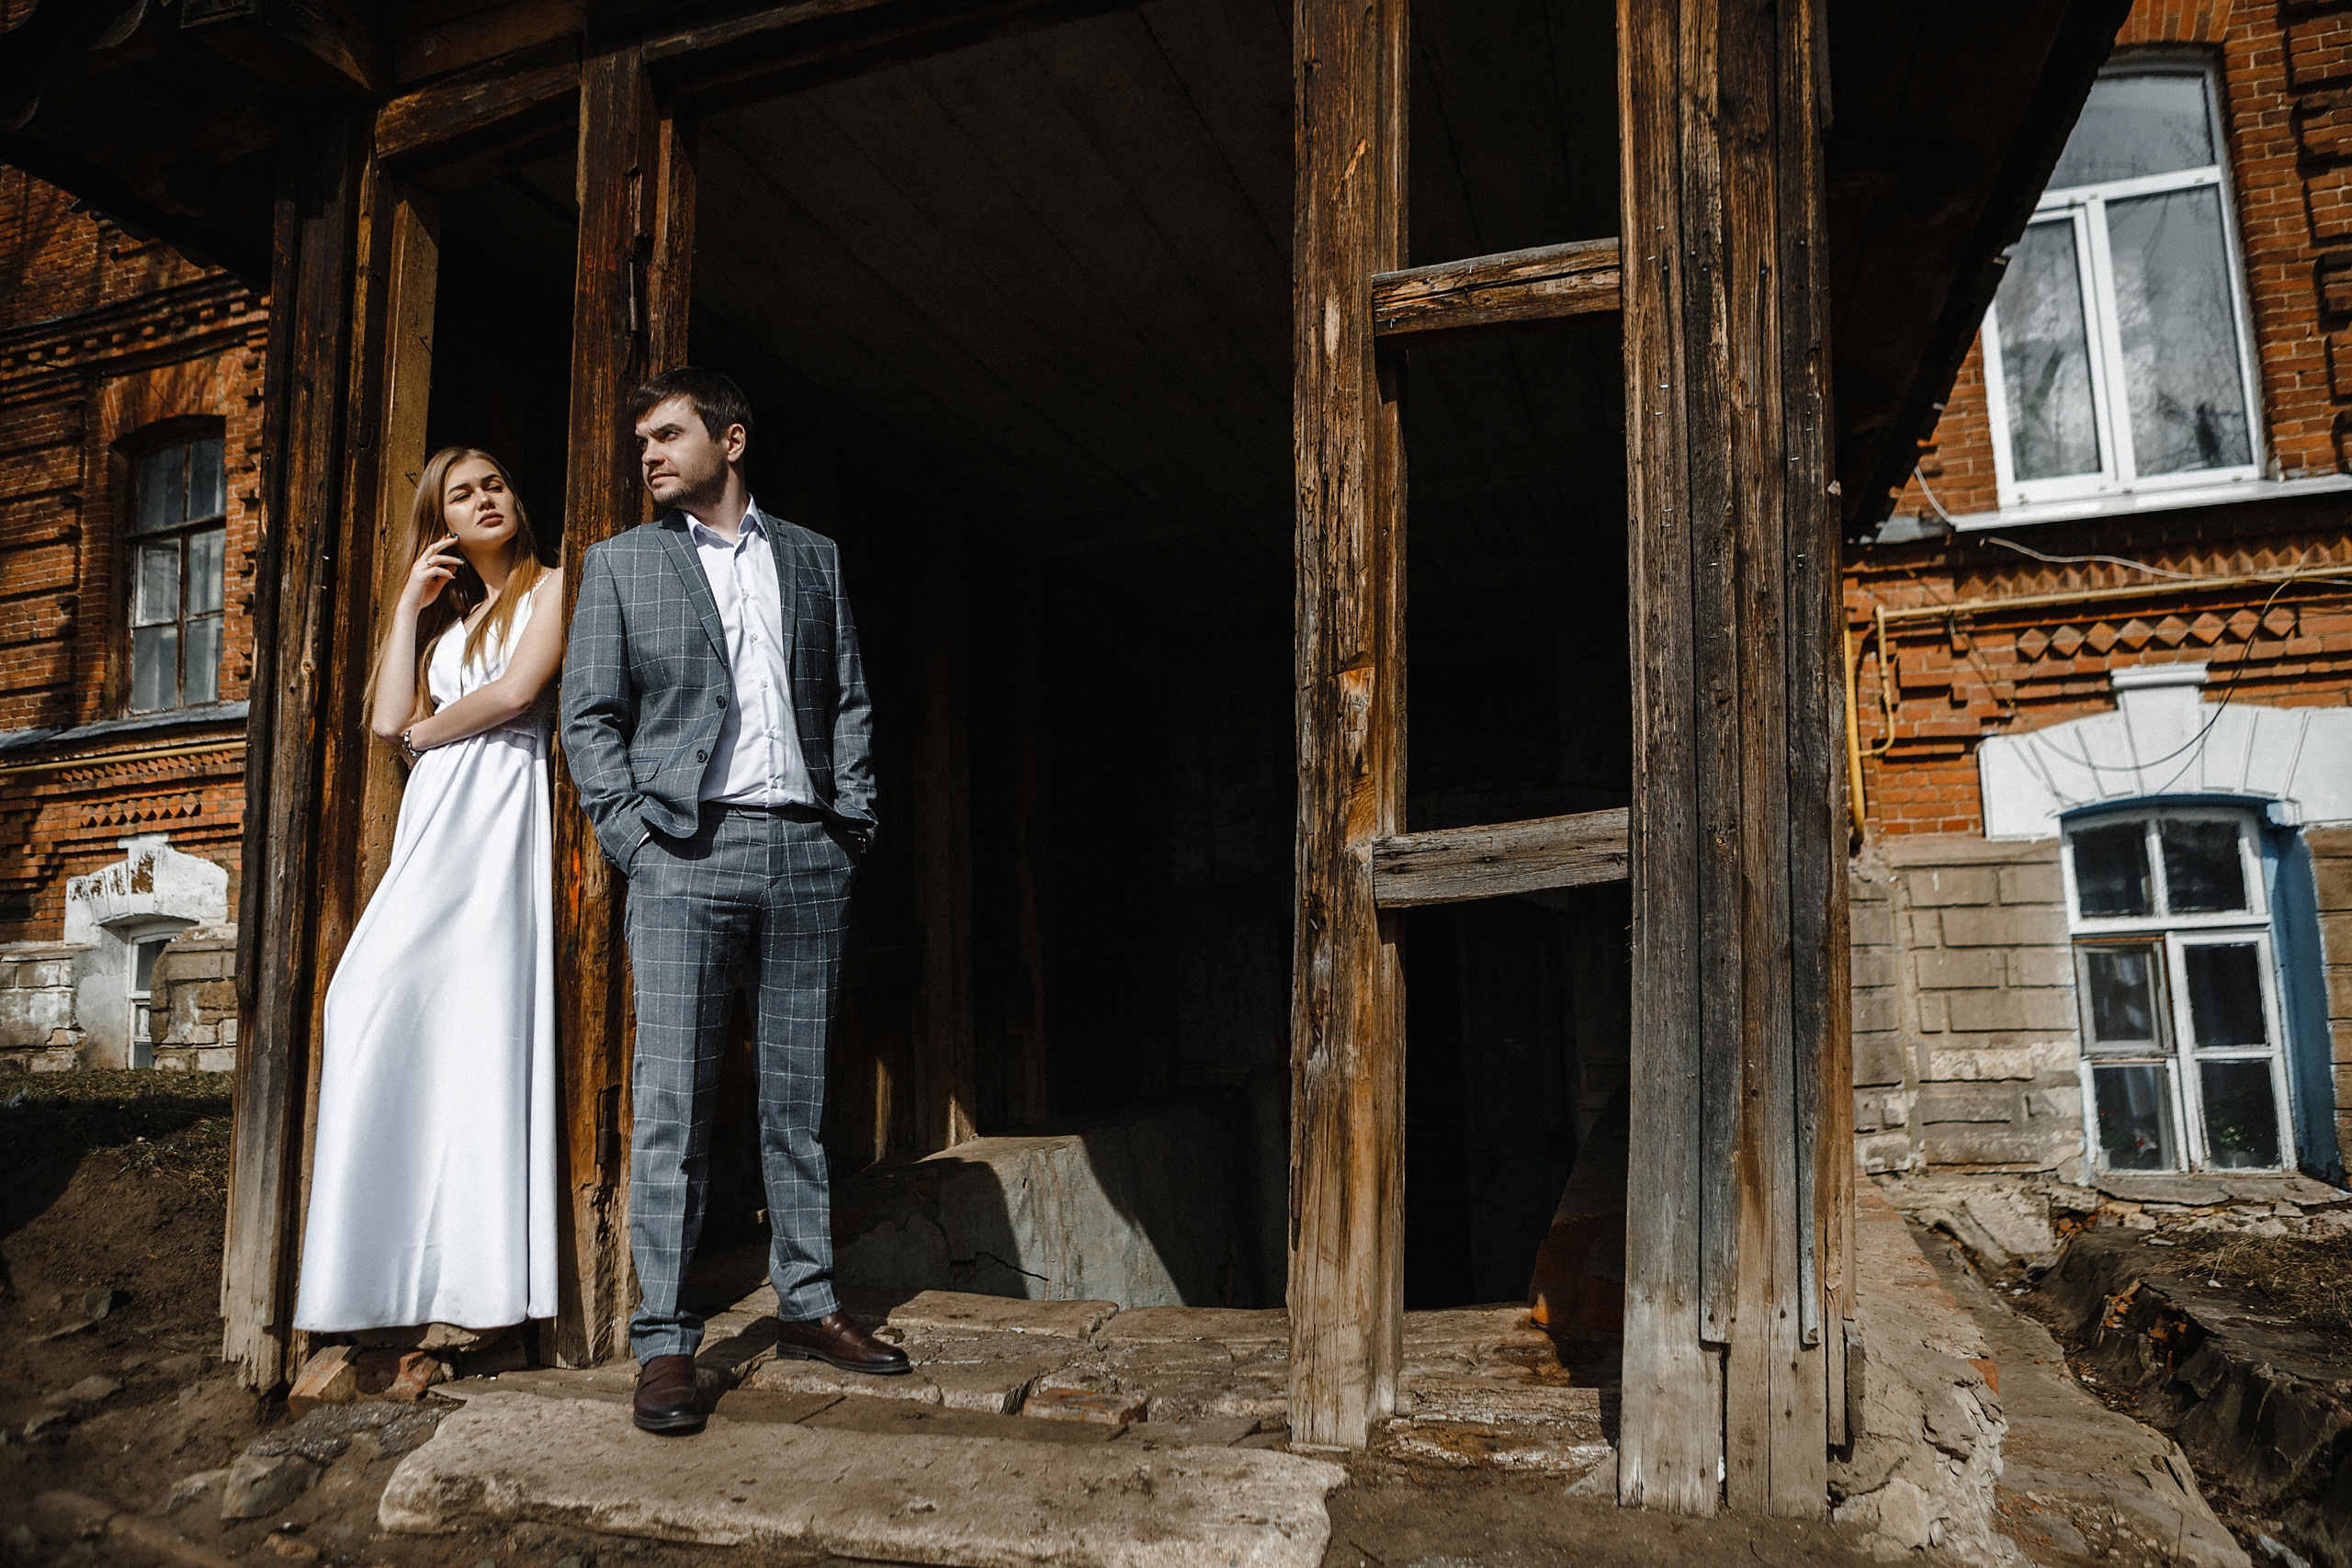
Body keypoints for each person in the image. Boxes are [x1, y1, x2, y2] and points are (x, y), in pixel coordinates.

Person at [560, 366, 900, 1438]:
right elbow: (589, 720)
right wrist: (634, 841)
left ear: (732, 439)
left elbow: (847, 696)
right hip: (684, 857)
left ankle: (807, 1303)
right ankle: (663, 1342)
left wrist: (850, 829)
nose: (649, 453)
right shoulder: (619, 566)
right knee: (673, 1106)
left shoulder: (813, 558)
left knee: (796, 1101)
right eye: (642, 441)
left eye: (668, 434)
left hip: (806, 852)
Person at [294, 446, 564, 1337]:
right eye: (462, 495)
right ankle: (378, 1275)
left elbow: (518, 693)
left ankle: (482, 1288)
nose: (485, 500)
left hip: (493, 818)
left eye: (493, 484)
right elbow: (382, 718)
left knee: (481, 1024)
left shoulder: (552, 587)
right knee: (362, 998)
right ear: (439, 523)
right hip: (434, 826)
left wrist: (422, 736)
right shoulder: (450, 628)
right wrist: (408, 604)